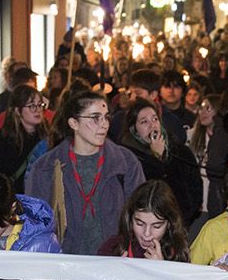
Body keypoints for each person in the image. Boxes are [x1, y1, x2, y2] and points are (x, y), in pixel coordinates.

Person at [27, 85, 144, 257]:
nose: (104, 125)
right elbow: (35, 227)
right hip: (65, 266)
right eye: (95, 118)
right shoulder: (46, 168)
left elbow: (141, 216)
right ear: (74, 123)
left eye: (106, 118)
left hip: (114, 263)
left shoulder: (125, 162)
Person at [119, 98, 202, 225]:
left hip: (180, 225)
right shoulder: (128, 158)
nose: (152, 125)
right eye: (144, 122)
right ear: (134, 129)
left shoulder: (180, 151)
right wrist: (158, 159)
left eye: (155, 119)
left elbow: (194, 189)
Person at [187, 95, 228, 220]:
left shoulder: (226, 138)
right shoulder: (191, 136)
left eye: (209, 108)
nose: (203, 112)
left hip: (216, 195)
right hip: (200, 197)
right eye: (201, 108)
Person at [0, 86, 48, 191]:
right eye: (32, 106)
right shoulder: (5, 140)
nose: (38, 110)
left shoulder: (47, 136)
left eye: (40, 105)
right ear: (17, 110)